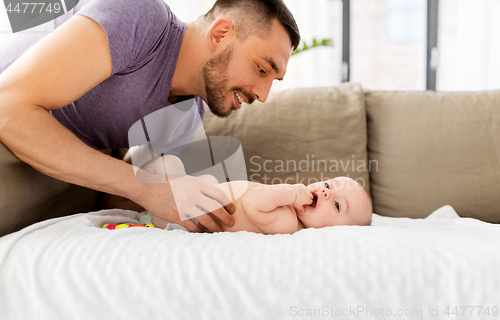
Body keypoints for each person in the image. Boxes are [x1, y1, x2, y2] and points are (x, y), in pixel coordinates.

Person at [0, 0, 301, 233]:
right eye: (262, 69)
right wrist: (148, 188)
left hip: (49, 181)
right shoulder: (140, 15)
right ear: (220, 33)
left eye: (273, 80)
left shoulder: (185, 117)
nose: (262, 94)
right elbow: (7, 107)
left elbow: (121, 202)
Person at [124, 155, 373, 234]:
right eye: (328, 185)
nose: (327, 194)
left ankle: (130, 173)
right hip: (195, 198)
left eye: (338, 206)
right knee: (206, 179)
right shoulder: (287, 210)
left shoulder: (288, 224)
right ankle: (134, 170)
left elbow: (254, 202)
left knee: (169, 163)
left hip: (179, 213)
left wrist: (290, 193)